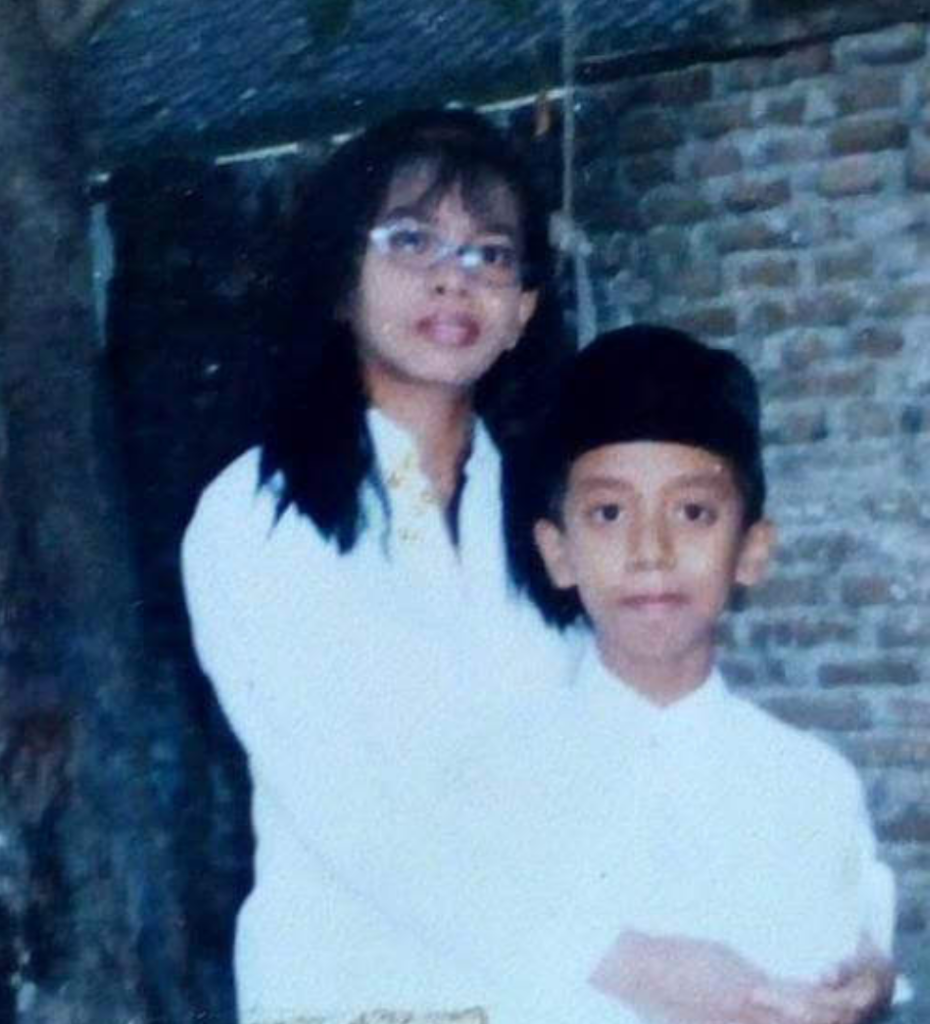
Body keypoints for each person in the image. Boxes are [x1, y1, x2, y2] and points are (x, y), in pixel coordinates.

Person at [182, 108, 892, 1023]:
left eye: (489, 254)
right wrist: (633, 964)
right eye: (411, 241)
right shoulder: (259, 516)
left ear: (521, 310)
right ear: (339, 281)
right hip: (360, 988)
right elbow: (353, 812)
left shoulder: (551, 510)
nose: (452, 277)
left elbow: (661, 743)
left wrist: (851, 946)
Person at [507, 323, 898, 1024]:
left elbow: (859, 957)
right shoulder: (498, 778)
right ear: (558, 551)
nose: (651, 550)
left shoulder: (813, 783)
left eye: (692, 512)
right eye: (608, 513)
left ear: (752, 550)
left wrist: (865, 986)